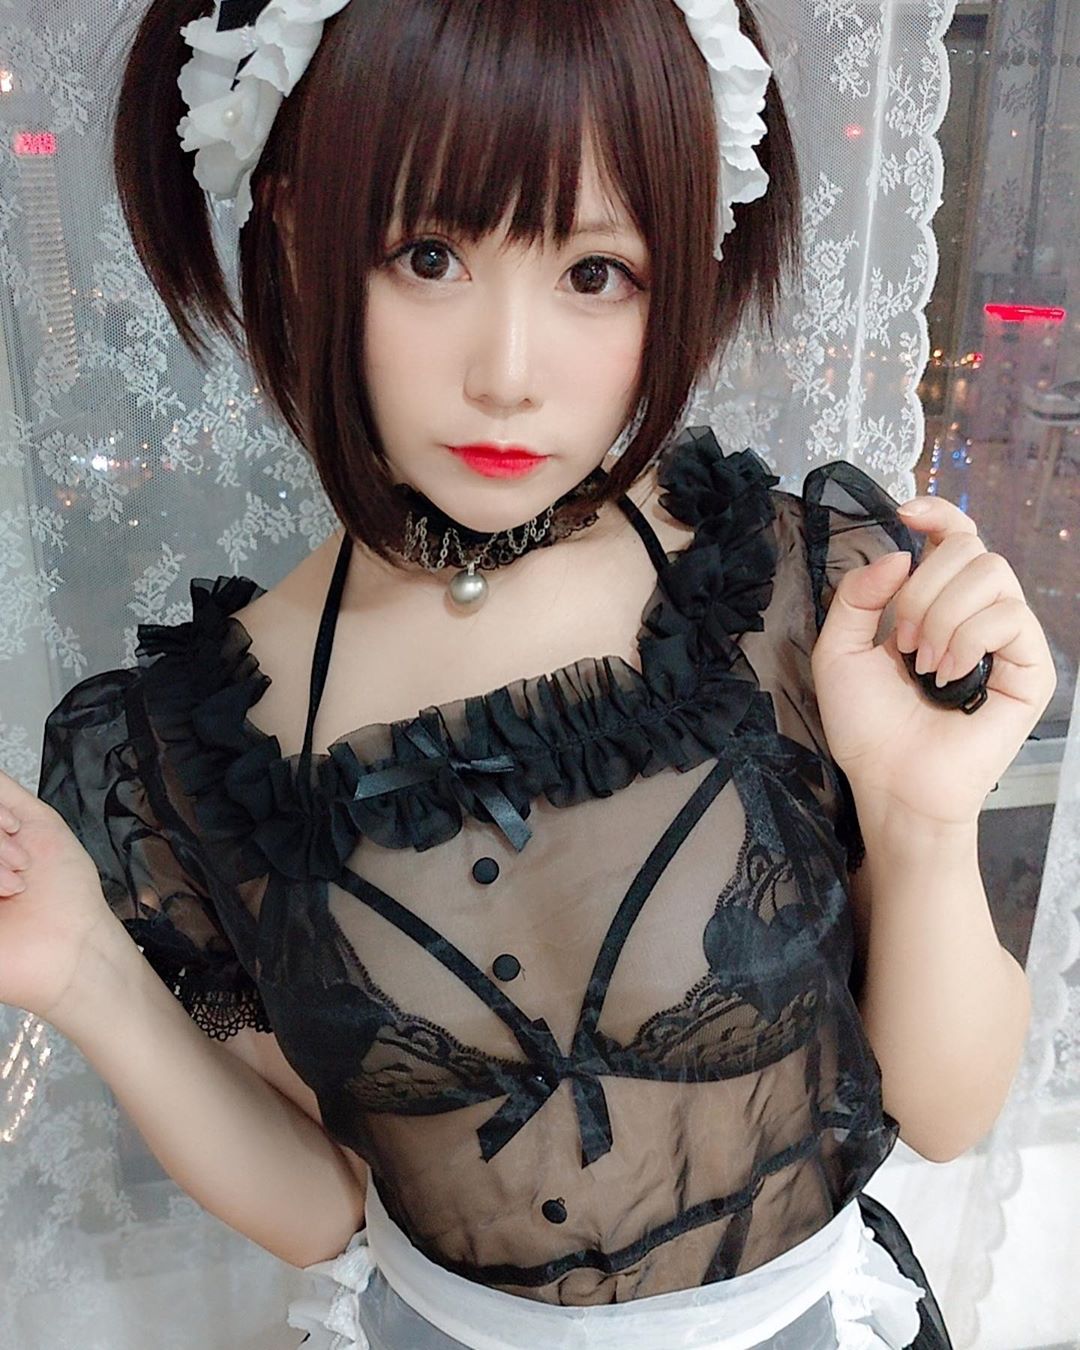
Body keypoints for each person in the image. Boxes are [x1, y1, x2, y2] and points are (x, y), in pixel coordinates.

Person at [0, 1, 1056, 1347]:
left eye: (596, 271)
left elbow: (949, 1114)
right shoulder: (204, 747)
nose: (509, 374)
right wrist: (87, 972)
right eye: (429, 255)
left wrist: (922, 820)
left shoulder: (793, 599)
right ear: (300, 235)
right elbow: (328, 1208)